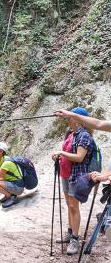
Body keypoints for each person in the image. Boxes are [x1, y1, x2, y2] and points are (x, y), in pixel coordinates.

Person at [52, 107, 96, 255]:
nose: (68, 120)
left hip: (77, 175)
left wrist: (60, 152)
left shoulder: (84, 135)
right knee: (69, 205)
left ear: (78, 120)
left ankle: (75, 239)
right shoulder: (71, 134)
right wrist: (59, 156)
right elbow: (67, 153)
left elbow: (79, 157)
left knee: (73, 207)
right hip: (66, 174)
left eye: (69, 117)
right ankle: (70, 232)